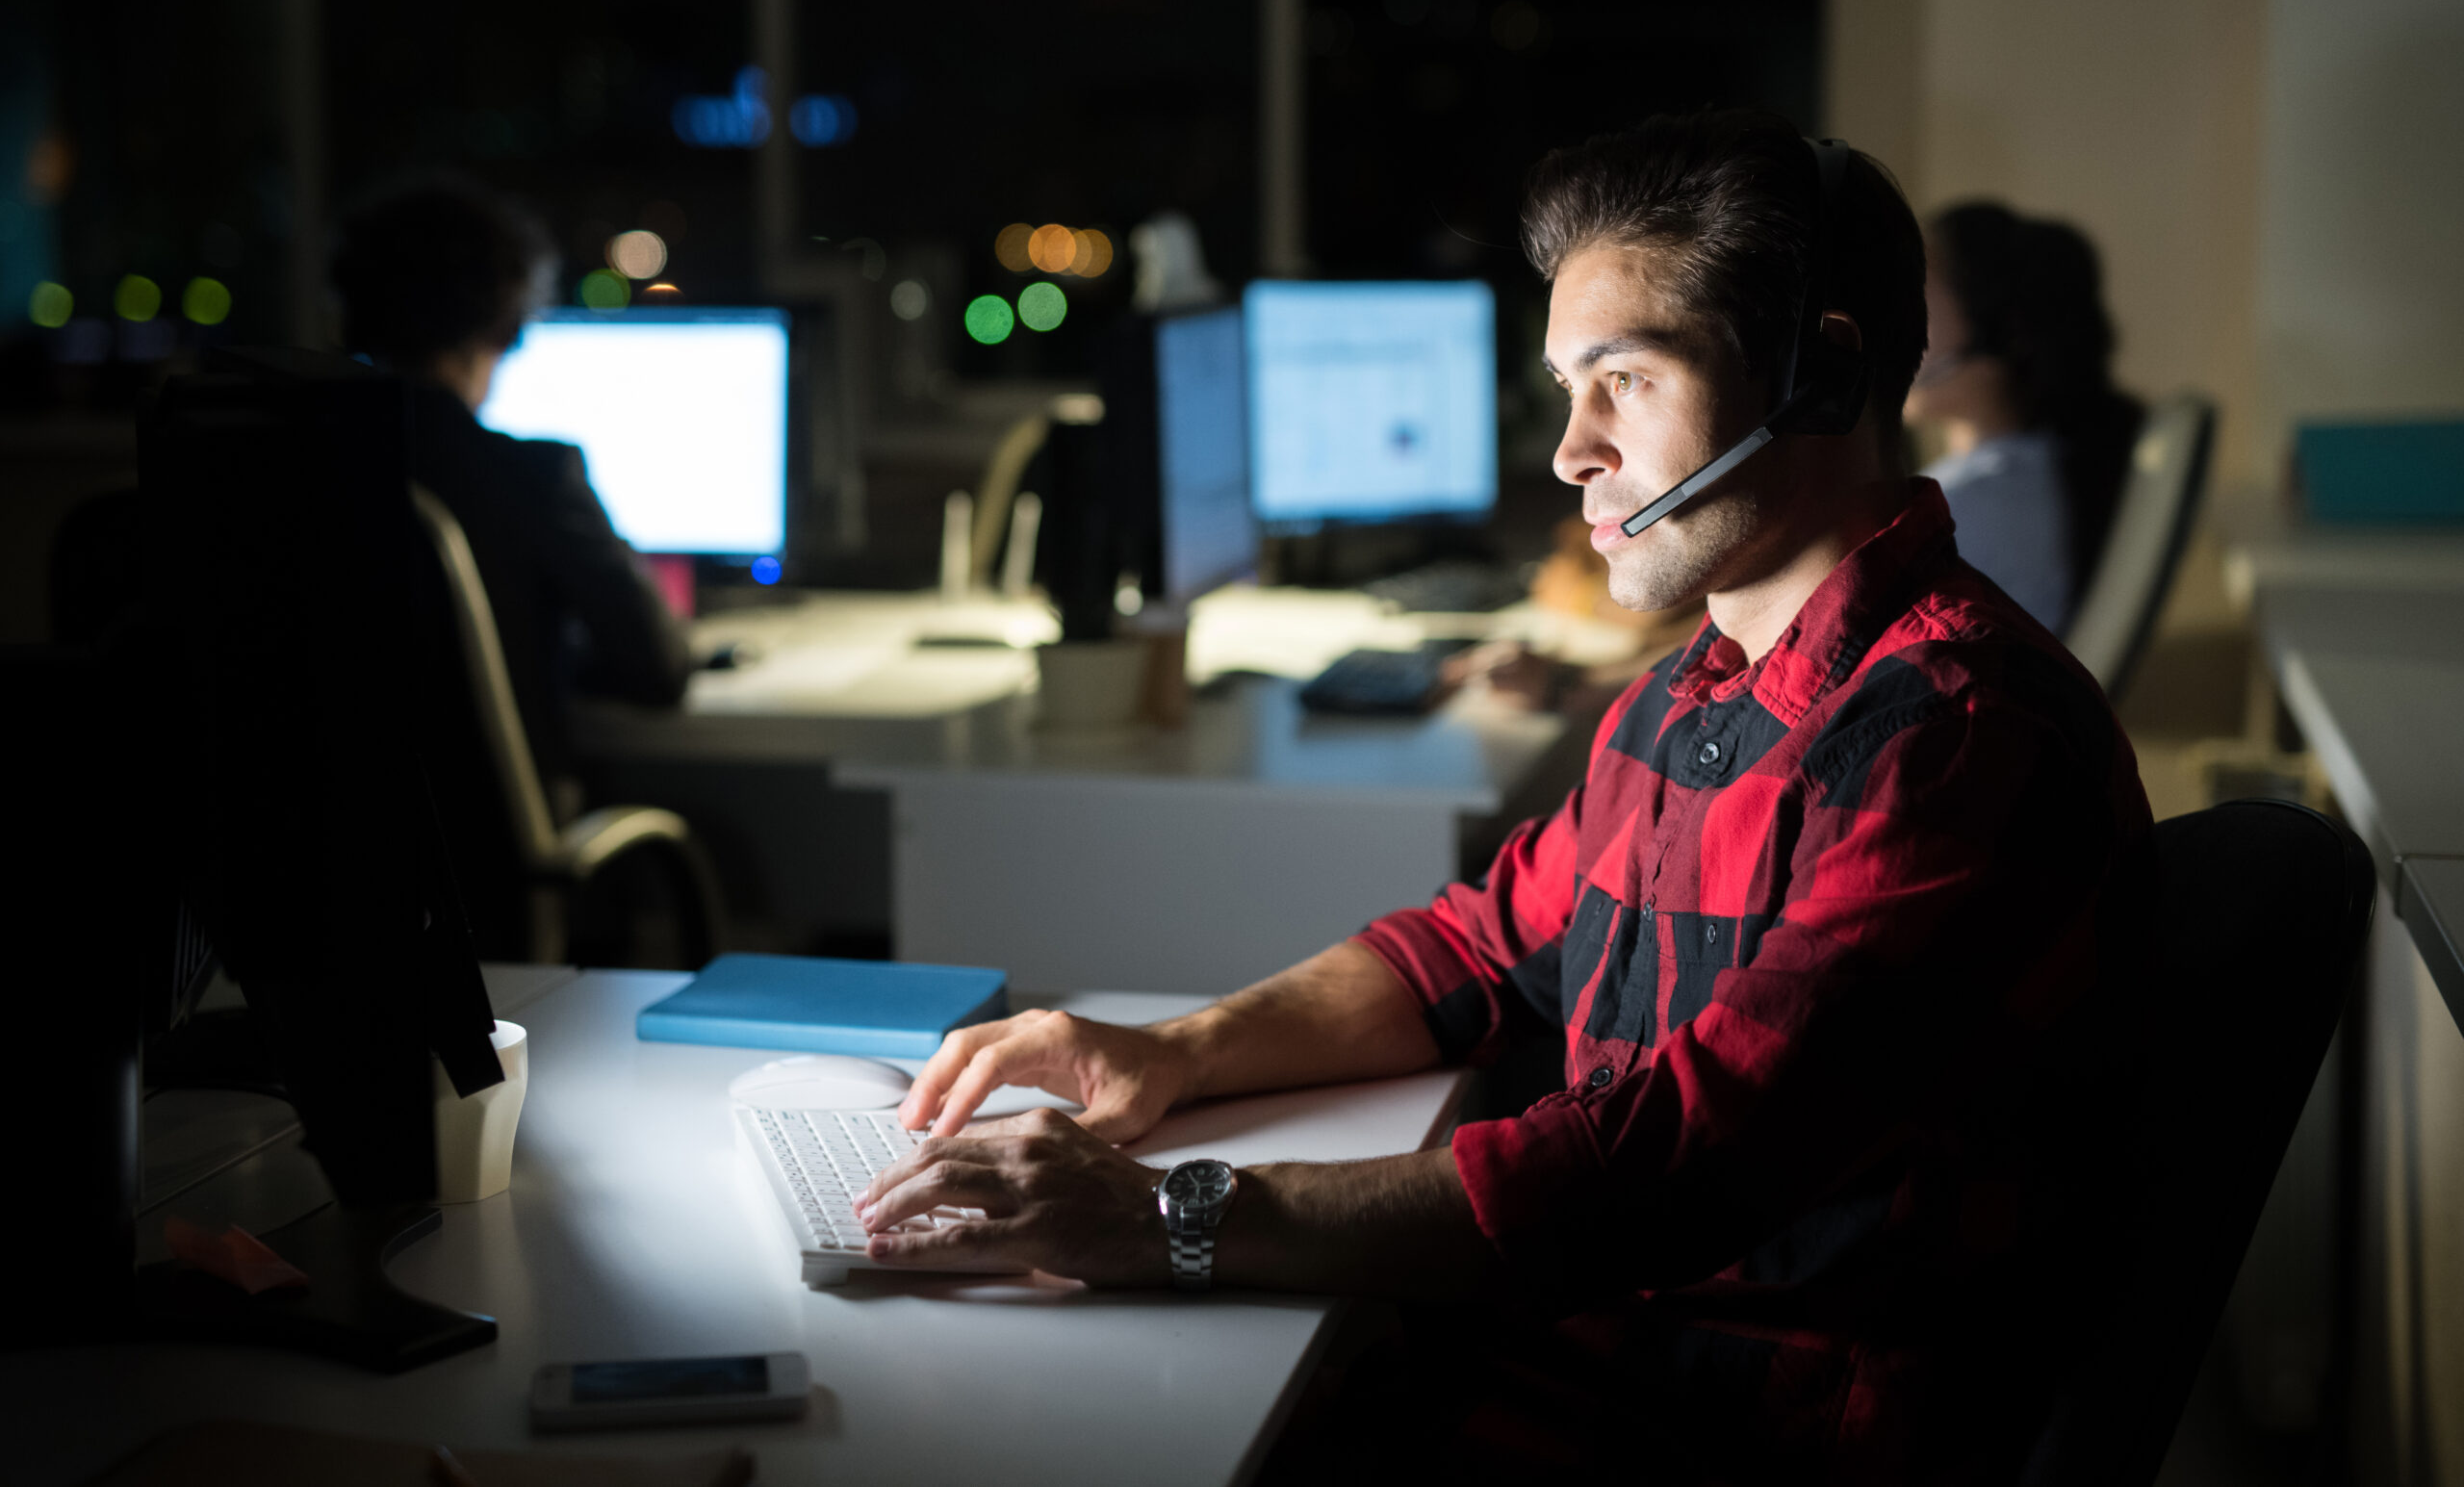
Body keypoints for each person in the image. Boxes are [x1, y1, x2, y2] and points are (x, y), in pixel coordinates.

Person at [854, 112, 2153, 1481]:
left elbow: (1664, 1168)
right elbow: (1472, 952)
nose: (1571, 451)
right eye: (1565, 388)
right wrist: (1175, 1051)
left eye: (1627, 381)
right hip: (1593, 1358)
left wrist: (1174, 1214)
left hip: (1741, 1431)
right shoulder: (1692, 699)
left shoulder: (1952, 734)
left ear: (1818, 376)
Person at [329, 173, 692, 954]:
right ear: (505, 318)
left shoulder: (287, 481)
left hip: (314, 900)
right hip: (492, 904)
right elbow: (658, 669)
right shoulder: (532, 477)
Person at [1909, 201, 2143, 632]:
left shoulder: (1966, 510)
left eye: (1916, 291)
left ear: (2000, 331)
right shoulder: (2015, 481)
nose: (1892, 316)